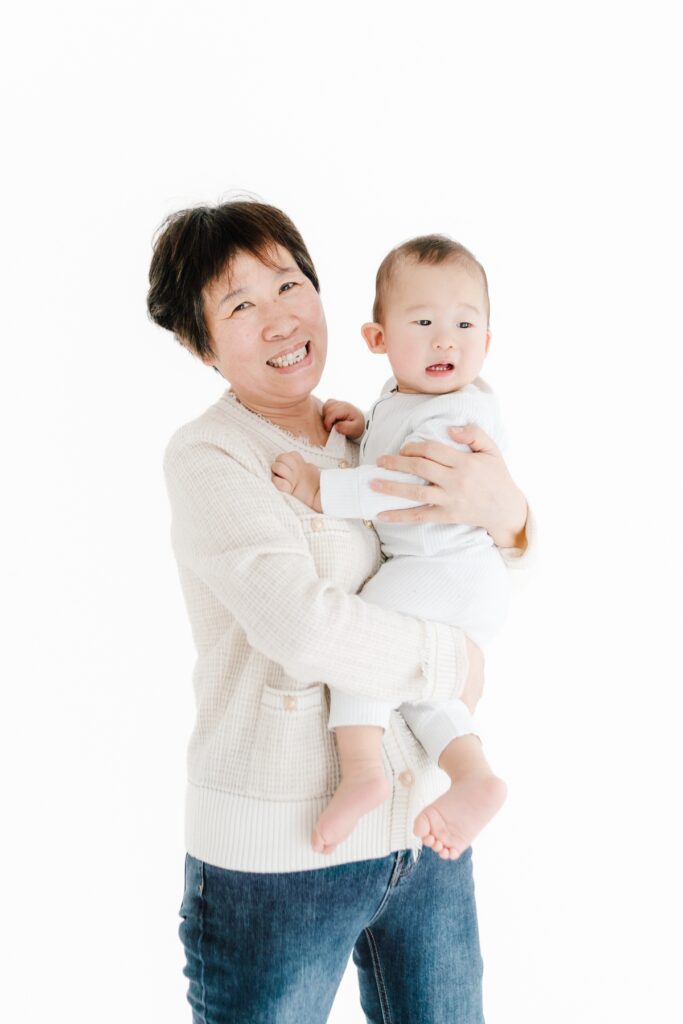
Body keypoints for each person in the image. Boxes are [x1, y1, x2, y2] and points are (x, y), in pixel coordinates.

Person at [148, 199, 532, 1023]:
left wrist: (510, 515)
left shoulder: (371, 431)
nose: (279, 318)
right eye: (239, 304)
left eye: (289, 284)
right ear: (199, 342)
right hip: (280, 860)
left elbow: (467, 571)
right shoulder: (211, 455)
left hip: (422, 837)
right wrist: (450, 664)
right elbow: (304, 627)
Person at [272, 234, 509, 861]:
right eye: (424, 322)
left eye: (464, 325)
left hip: (440, 567)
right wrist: (363, 427)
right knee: (422, 687)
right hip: (456, 577)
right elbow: (391, 442)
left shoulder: (451, 417)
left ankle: (361, 769)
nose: (445, 341)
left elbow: (400, 484)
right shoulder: (412, 399)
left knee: (363, 642)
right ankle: (472, 773)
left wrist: (322, 488)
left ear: (487, 343)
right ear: (378, 339)